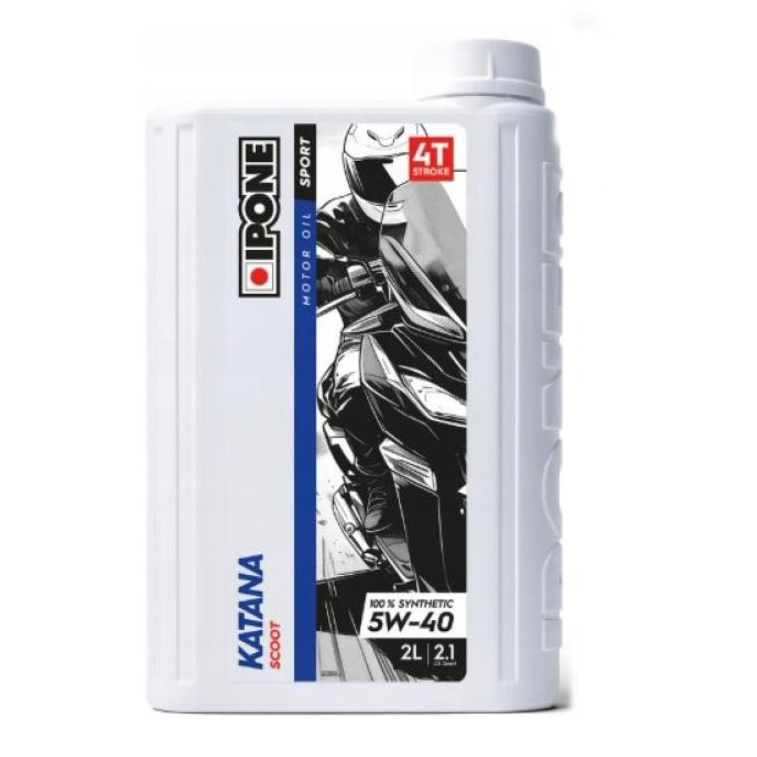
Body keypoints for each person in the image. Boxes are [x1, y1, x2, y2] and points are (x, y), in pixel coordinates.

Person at [316, 123, 426, 534]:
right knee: (353, 389)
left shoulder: (443, 210)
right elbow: (305, 280)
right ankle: (376, 479)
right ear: (354, 170)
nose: (394, 182)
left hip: (437, 328)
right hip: (369, 333)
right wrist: (345, 278)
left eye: (404, 167)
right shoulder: (332, 221)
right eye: (379, 171)